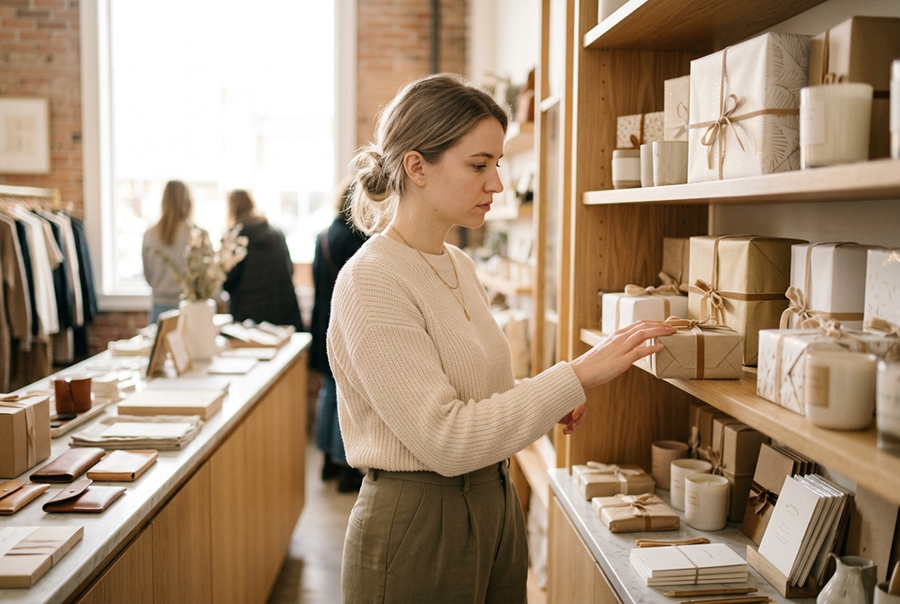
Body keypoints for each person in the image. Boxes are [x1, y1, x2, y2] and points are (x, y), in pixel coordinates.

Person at [327, 73, 677, 603]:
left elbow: (471, 392)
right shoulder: (371, 279)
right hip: (419, 525)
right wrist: (575, 375)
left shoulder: (460, 264)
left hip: (494, 504)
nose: (497, 185)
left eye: (498, 164)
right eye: (478, 165)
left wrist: (544, 397)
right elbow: (445, 440)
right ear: (416, 166)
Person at [310, 180, 368, 492]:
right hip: (345, 326)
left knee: (327, 394)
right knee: (343, 396)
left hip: (322, 324)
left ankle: (327, 461)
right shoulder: (356, 239)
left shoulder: (324, 236)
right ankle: (346, 466)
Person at [222, 189, 304, 331]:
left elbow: (228, 281)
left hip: (249, 316)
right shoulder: (275, 233)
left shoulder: (234, 237)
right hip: (282, 310)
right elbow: (289, 269)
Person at [142, 180, 205, 324]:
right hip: (188, 306)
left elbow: (148, 273)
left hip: (159, 304)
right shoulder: (196, 234)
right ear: (188, 201)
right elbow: (202, 275)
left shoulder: (150, 234)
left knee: (159, 347)